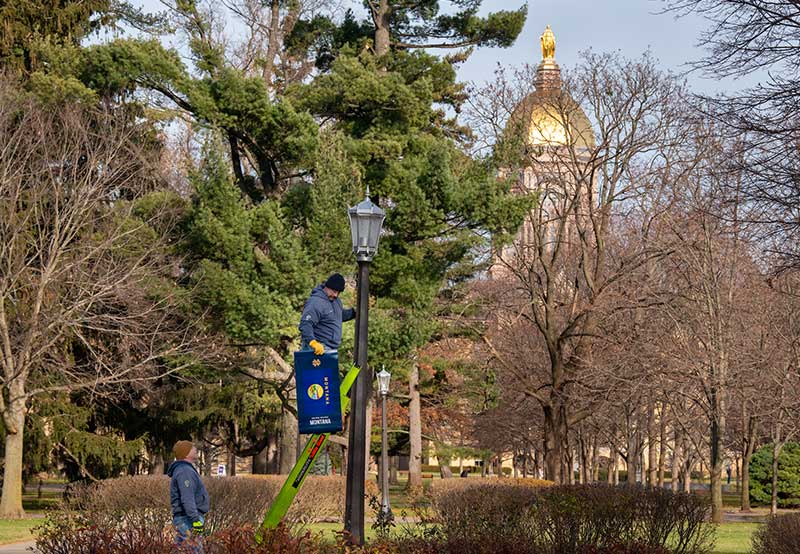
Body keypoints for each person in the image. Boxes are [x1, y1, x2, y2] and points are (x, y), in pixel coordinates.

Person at [299, 273, 355, 354]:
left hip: (330, 349)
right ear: (327, 287)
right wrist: (313, 343)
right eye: (334, 291)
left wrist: (354, 313)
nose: (336, 295)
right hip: (316, 348)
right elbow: (305, 324)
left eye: (338, 292)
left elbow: (338, 315)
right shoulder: (316, 302)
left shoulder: (336, 301)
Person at [167, 441, 209, 549]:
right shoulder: (185, 471)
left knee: (180, 549)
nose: (195, 449)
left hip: (186, 518)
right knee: (194, 549)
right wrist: (195, 520)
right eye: (192, 448)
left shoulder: (185, 469)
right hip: (187, 520)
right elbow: (187, 498)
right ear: (186, 453)